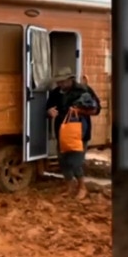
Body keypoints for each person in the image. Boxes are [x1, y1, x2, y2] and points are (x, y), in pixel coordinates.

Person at [46, 67, 102, 199]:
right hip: (62, 131)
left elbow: (97, 110)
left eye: (63, 82)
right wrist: (49, 112)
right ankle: (69, 187)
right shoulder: (55, 93)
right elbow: (48, 108)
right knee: (63, 160)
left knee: (75, 161)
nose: (60, 84)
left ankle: (82, 187)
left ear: (70, 80)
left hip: (80, 132)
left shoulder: (83, 90)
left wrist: (79, 111)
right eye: (58, 82)